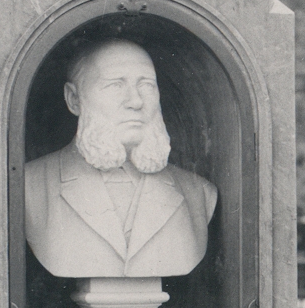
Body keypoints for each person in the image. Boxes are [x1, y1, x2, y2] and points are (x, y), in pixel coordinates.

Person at [24, 39, 217, 279]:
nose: (135, 102)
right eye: (116, 85)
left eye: (146, 85)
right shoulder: (28, 187)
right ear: (74, 99)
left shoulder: (198, 192)